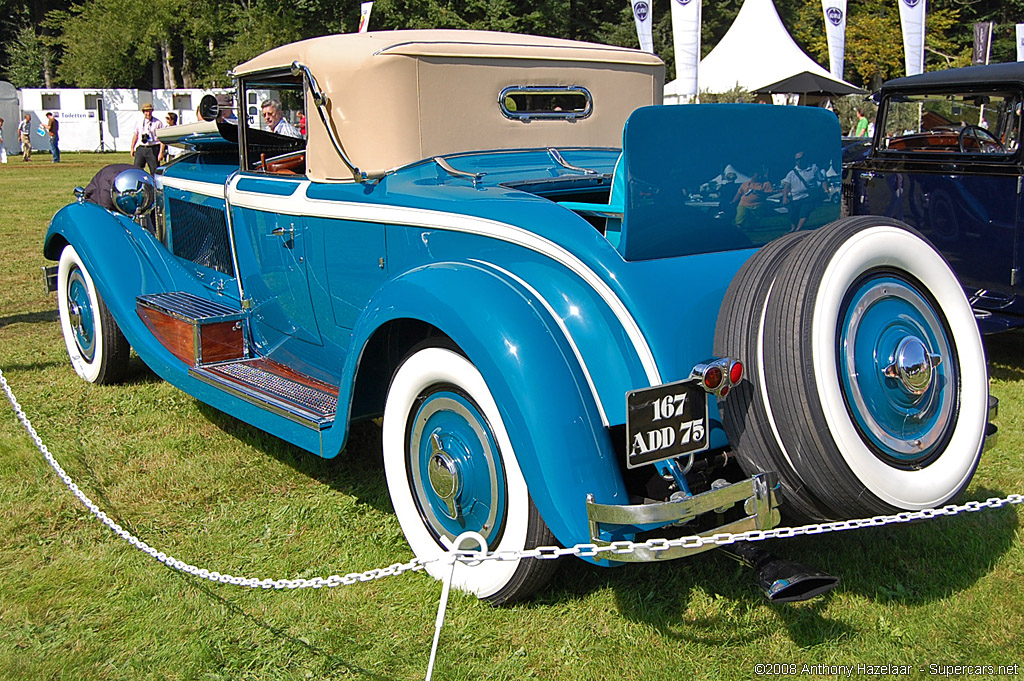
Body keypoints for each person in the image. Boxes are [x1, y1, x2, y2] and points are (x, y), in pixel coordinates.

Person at [781, 151, 828, 232]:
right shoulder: (791, 173)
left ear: (805, 159)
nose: (799, 161)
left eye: (801, 159)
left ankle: (798, 228)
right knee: (793, 214)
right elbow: (786, 187)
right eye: (797, 160)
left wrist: (826, 190)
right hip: (795, 197)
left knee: (805, 211)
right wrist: (785, 197)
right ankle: (793, 228)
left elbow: (822, 180)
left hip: (809, 195)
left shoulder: (813, 168)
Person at [131, 102, 165, 174]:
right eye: (146, 111)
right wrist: (132, 148)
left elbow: (162, 139)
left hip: (153, 147)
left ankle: (155, 184)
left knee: (154, 170)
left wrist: (161, 152)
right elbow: (135, 135)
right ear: (143, 112)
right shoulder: (139, 122)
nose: (148, 113)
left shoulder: (158, 122)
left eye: (149, 111)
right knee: (137, 169)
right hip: (141, 147)